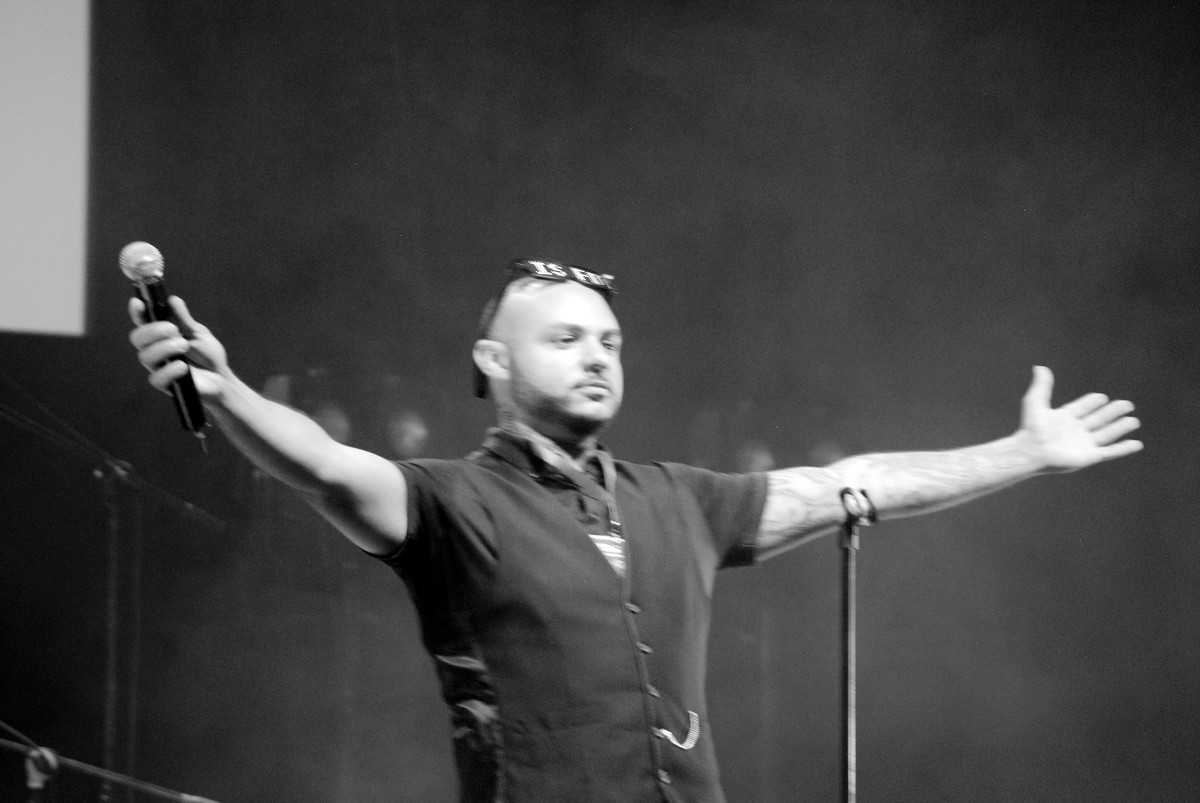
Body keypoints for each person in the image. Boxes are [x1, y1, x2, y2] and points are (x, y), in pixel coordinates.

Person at [127, 258, 1142, 802]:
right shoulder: (449, 502)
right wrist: (228, 392)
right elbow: (322, 462)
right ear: (492, 359)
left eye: (610, 339)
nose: (597, 355)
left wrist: (1021, 453)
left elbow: (849, 483)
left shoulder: (681, 499)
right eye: (565, 337)